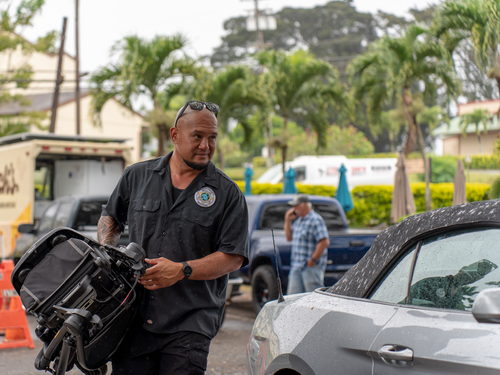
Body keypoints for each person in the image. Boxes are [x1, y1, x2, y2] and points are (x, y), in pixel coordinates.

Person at [97, 100, 248, 375]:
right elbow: (110, 217)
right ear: (175, 135)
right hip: (133, 319)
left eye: (212, 138)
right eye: (198, 137)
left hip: (190, 323)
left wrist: (182, 270)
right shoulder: (137, 176)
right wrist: (108, 254)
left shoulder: (227, 193)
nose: (205, 146)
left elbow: (233, 257)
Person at [284, 195, 330, 294]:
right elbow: (289, 238)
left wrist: (313, 260)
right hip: (296, 266)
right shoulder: (298, 221)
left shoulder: (315, 220)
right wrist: (287, 220)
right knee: (292, 298)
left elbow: (324, 242)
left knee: (312, 297)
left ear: (304, 205)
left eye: (296, 206)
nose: (294, 209)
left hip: (310, 267)